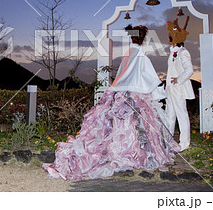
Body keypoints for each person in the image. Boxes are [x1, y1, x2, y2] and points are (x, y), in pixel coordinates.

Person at [42, 25, 179, 180]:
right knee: (138, 126)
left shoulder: (128, 54)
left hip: (120, 93)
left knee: (116, 127)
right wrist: (160, 88)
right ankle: (134, 153)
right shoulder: (140, 55)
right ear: (143, 39)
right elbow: (150, 77)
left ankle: (117, 150)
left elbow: (122, 75)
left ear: (132, 38)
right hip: (136, 95)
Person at [165, 16, 195, 152]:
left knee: (181, 114)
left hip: (178, 87)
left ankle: (184, 143)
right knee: (169, 114)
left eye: (170, 36)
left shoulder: (183, 52)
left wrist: (178, 79)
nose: (168, 38)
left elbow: (189, 70)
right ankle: (167, 140)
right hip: (170, 88)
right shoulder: (173, 53)